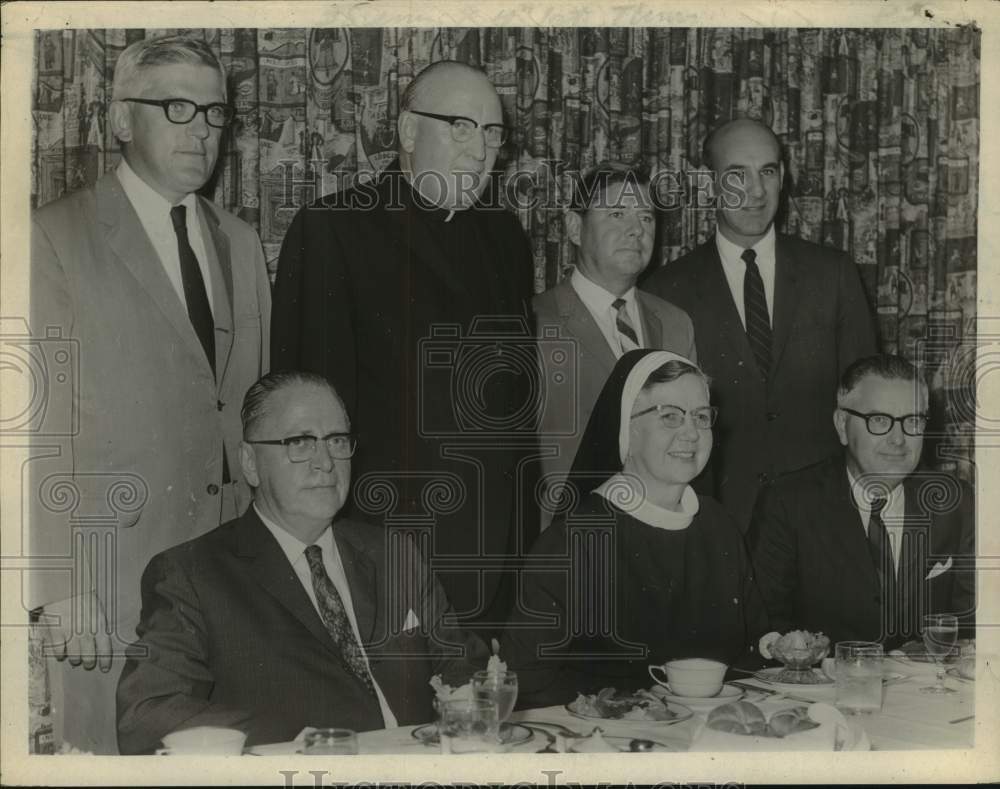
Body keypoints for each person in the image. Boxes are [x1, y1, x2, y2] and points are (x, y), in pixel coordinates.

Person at [29, 35, 271, 753]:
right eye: (176, 107)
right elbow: (33, 431)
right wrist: (61, 587)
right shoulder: (52, 237)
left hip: (227, 582)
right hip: (108, 582)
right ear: (120, 120)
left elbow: (248, 420)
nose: (202, 129)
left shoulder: (242, 243)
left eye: (215, 113)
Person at [271, 61, 537, 633]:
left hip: (494, 562)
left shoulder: (506, 237)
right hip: (383, 554)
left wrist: (524, 551)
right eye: (461, 127)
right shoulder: (333, 230)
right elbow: (308, 426)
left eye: (492, 133)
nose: (481, 149)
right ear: (410, 132)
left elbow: (521, 421)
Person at [117, 372, 487, 753]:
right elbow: (146, 714)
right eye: (299, 442)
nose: (325, 462)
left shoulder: (394, 553)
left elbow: (465, 666)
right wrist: (292, 739)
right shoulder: (193, 574)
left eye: (337, 440)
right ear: (250, 463)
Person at [642, 118, 877, 531]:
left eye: (767, 172)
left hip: (823, 524)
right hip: (715, 527)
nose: (755, 191)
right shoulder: (666, 290)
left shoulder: (833, 274)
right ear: (708, 182)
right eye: (737, 175)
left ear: (782, 177)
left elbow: (867, 409)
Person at [503, 350, 767, 708]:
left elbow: (751, 656)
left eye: (701, 417)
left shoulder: (719, 526)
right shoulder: (572, 542)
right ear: (626, 427)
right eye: (670, 416)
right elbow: (527, 683)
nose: (691, 432)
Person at [750, 355, 975, 649]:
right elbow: (765, 622)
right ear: (842, 425)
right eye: (879, 420)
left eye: (913, 421)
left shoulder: (955, 502)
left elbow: (973, 625)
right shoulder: (787, 503)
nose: (898, 439)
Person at [533, 163, 696, 524]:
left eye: (646, 218)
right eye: (617, 213)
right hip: (566, 541)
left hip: (658, 537)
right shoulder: (534, 323)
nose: (636, 230)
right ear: (575, 227)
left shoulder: (676, 324)